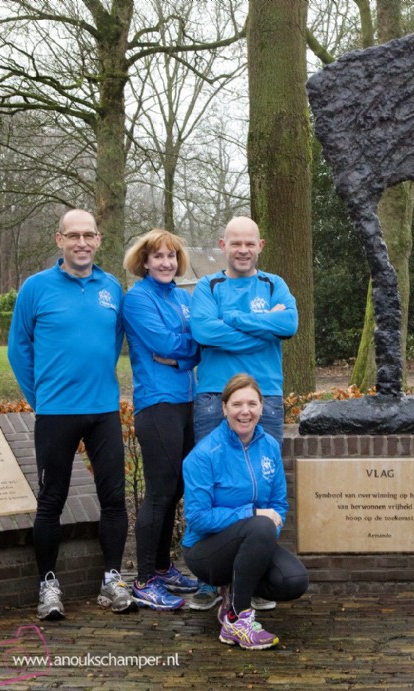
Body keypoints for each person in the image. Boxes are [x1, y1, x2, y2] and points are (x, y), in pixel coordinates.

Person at [8, 209, 135, 619]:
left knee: (114, 500)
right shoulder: (36, 288)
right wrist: (42, 397)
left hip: (103, 412)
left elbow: (114, 340)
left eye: (89, 235)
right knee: (51, 501)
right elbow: (18, 348)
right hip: (56, 414)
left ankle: (112, 580)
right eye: (73, 235)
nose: (82, 242)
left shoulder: (111, 287)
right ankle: (48, 585)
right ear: (58, 239)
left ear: (99, 239)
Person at [189, 215, 298, 610]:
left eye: (249, 243)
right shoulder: (208, 285)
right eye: (235, 243)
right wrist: (261, 327)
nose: (243, 249)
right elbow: (203, 332)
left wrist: (233, 320)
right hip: (214, 394)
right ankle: (208, 579)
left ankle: (249, 579)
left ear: (260, 245)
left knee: (262, 485)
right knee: (212, 483)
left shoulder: (275, 285)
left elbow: (289, 323)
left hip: (265, 394)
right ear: (223, 244)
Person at [182, 374, 309, 650]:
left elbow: (279, 507)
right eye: (237, 404)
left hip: (250, 541)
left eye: (252, 403)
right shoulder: (204, 454)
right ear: (224, 407)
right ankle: (236, 619)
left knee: (294, 580)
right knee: (260, 524)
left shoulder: (270, 447)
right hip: (205, 552)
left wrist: (260, 538)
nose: (245, 411)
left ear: (262, 407)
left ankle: (235, 590)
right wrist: (252, 515)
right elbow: (197, 519)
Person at [122, 229, 201, 610]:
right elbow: (164, 344)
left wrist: (184, 356)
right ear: (145, 261)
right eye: (158, 257)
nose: (166, 263)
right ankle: (143, 580)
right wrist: (186, 350)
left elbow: (195, 343)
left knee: (176, 488)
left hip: (186, 401)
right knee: (158, 492)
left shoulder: (183, 299)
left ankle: (163, 565)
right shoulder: (137, 298)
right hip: (157, 404)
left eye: (171, 256)